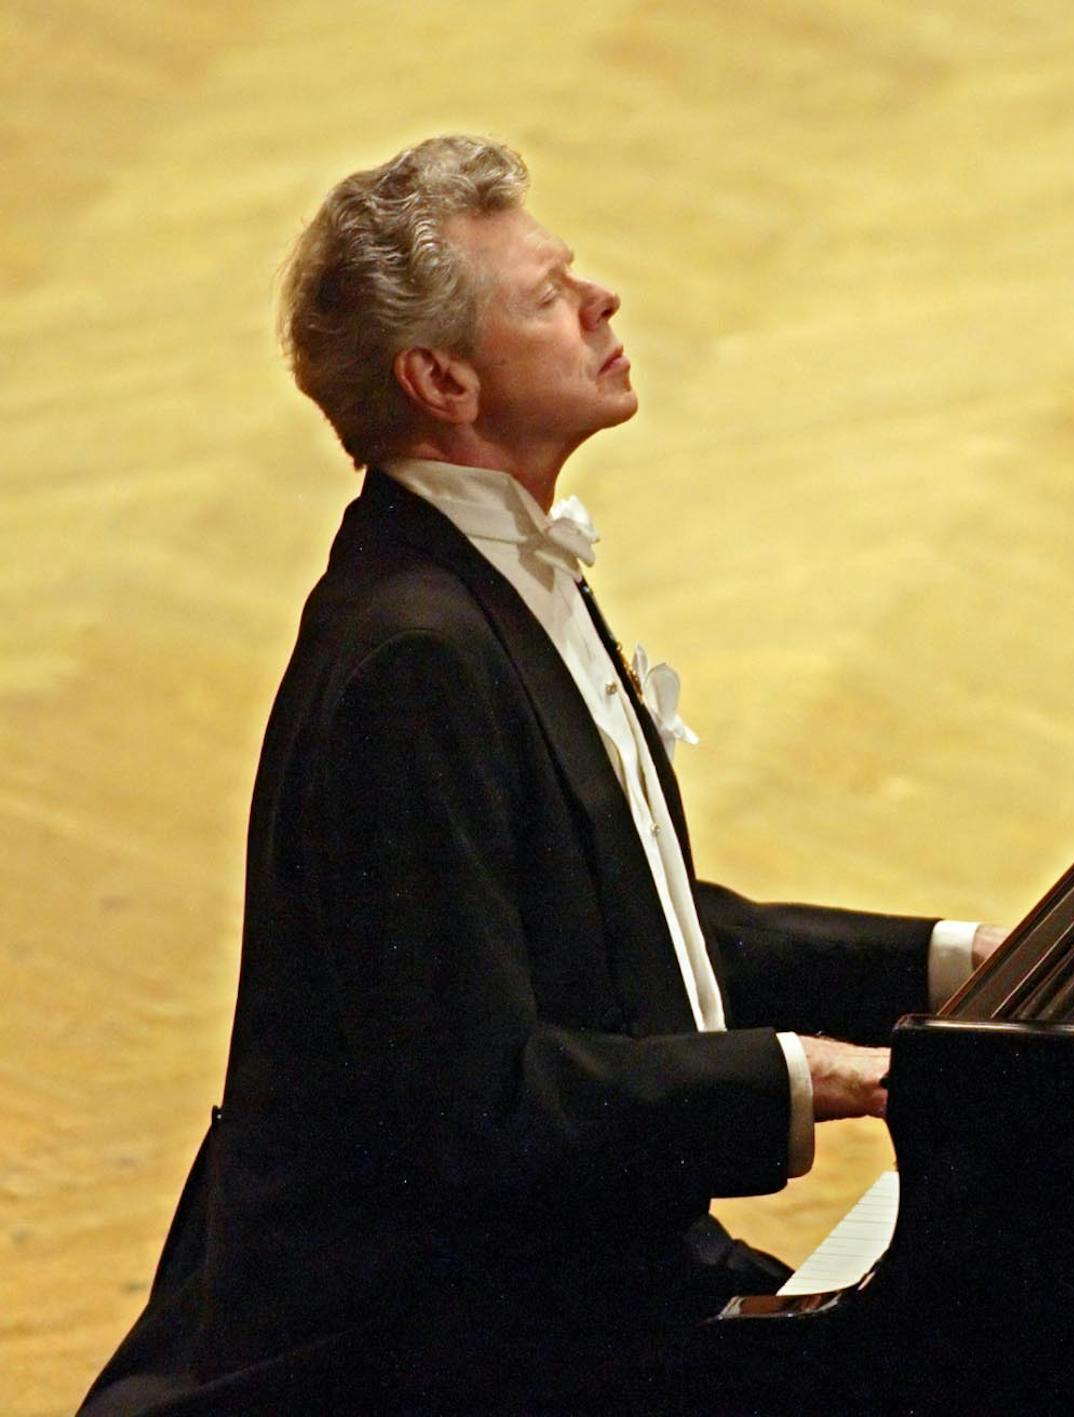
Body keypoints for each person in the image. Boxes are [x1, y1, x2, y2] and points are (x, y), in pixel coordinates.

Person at [82, 135, 1004, 1415]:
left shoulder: (495, 576)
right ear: (441, 378)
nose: (601, 299)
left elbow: (636, 939)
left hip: (562, 1276)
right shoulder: (413, 653)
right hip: (432, 1340)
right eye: (546, 294)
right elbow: (485, 1106)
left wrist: (969, 968)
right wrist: (825, 1075)